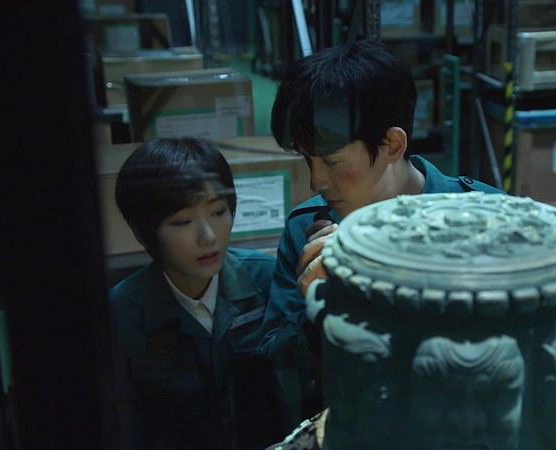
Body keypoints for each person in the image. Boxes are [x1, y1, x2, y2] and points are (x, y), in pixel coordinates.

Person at [260, 38, 504, 422]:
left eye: (332, 161)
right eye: (307, 160)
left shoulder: (488, 217)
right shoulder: (307, 228)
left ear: (392, 144)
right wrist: (318, 312)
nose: (315, 182)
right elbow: (276, 373)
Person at [109, 137, 284, 449]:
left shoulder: (269, 280)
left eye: (218, 212)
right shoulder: (120, 315)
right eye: (183, 221)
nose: (208, 236)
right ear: (142, 232)